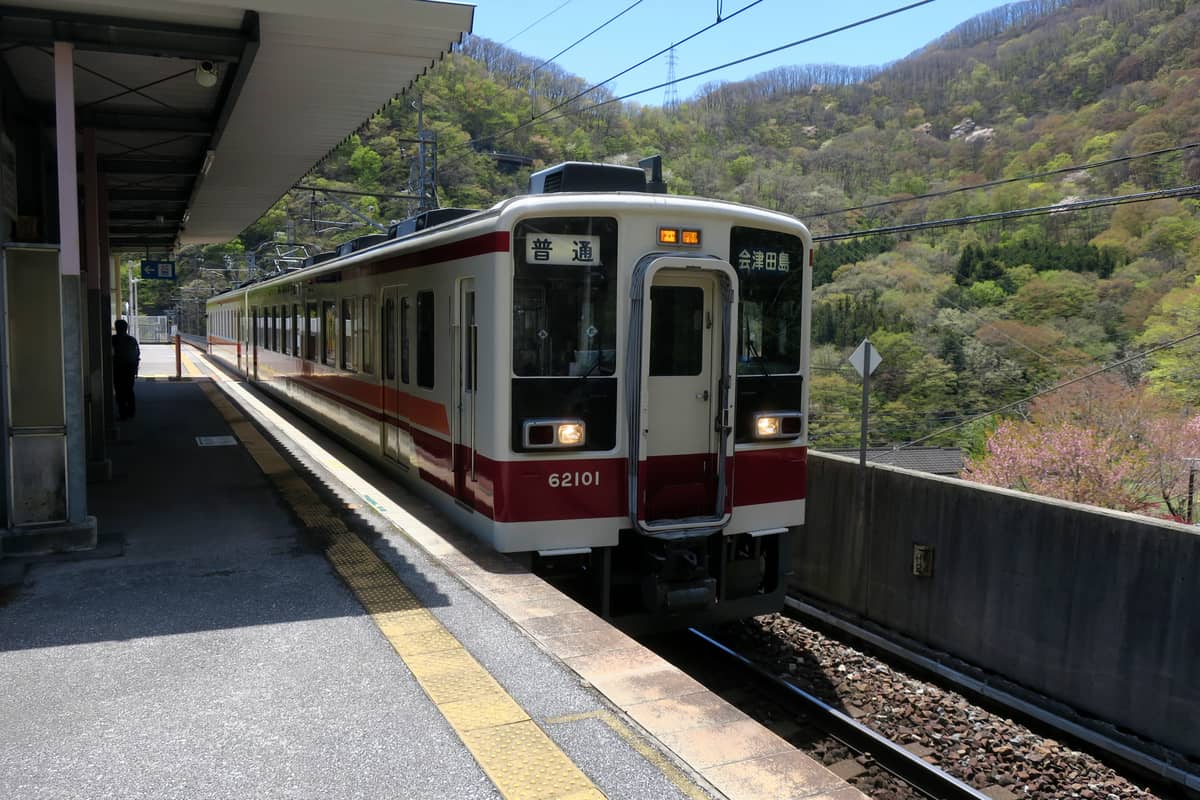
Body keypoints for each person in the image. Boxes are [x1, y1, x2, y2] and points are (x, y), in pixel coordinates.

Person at [112, 319, 140, 420]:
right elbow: (137, 354)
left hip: (117, 369)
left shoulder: (113, 339)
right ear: (126, 328)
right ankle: (131, 412)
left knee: (119, 392)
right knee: (129, 390)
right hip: (130, 369)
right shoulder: (132, 340)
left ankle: (123, 414)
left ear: (116, 328)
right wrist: (136, 369)